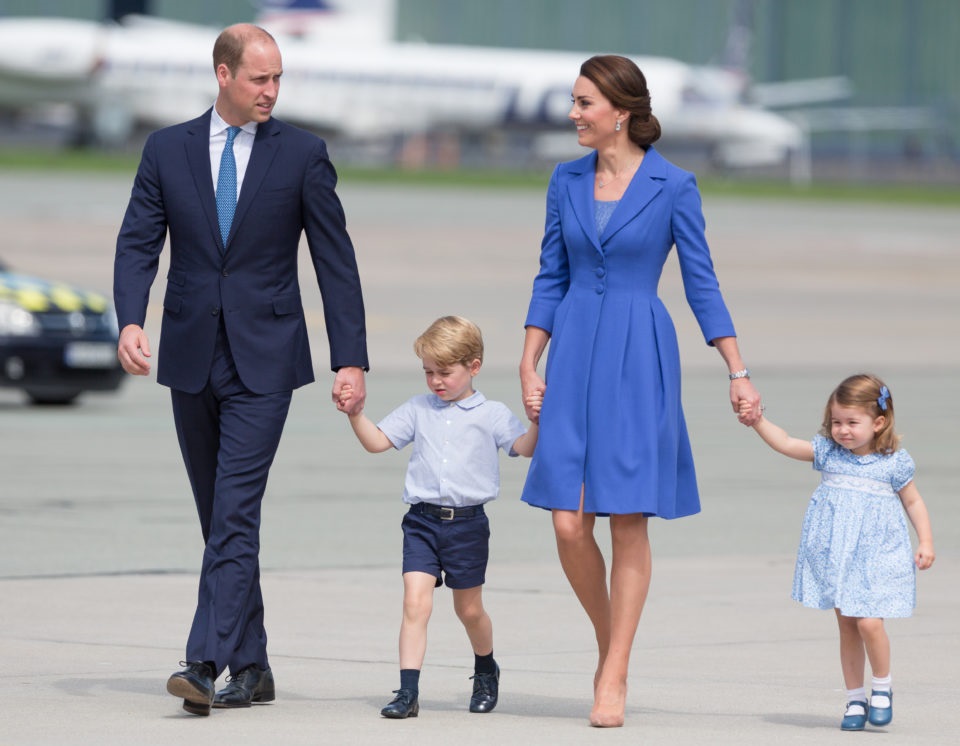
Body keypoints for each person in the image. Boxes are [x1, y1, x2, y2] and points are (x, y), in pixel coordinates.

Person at [113, 23, 368, 716]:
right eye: (261, 78)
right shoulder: (167, 150)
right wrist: (130, 318)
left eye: (278, 78)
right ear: (224, 75)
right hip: (191, 355)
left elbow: (335, 262)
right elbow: (139, 240)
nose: (272, 91)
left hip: (268, 360)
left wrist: (350, 358)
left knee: (234, 511)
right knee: (218, 518)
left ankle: (203, 660)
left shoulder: (303, 154)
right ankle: (252, 664)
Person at [517, 54, 762, 727]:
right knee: (569, 522)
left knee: (626, 518)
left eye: (584, 103)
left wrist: (736, 371)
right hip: (572, 354)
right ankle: (611, 645)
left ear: (620, 112)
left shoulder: (673, 186)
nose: (572, 114)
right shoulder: (564, 180)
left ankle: (613, 672)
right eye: (573, 101)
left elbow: (701, 283)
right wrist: (529, 359)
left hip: (637, 352)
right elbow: (550, 275)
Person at [338, 316, 541, 719]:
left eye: (445, 372)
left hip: (468, 526)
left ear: (474, 366)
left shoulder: (493, 413)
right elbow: (378, 442)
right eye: (428, 372)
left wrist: (538, 420)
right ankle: (408, 692)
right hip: (421, 522)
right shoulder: (418, 409)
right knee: (416, 604)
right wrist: (355, 415)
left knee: (469, 611)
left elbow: (524, 447)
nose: (435, 381)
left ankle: (486, 667)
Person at [740, 374, 934, 731]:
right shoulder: (828, 452)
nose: (842, 431)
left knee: (869, 622)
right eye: (836, 422)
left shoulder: (893, 462)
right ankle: (855, 699)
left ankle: (882, 686)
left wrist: (925, 540)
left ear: (878, 423)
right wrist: (757, 421)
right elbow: (784, 443)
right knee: (847, 625)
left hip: (876, 555)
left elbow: (914, 500)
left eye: (852, 423)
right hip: (837, 555)